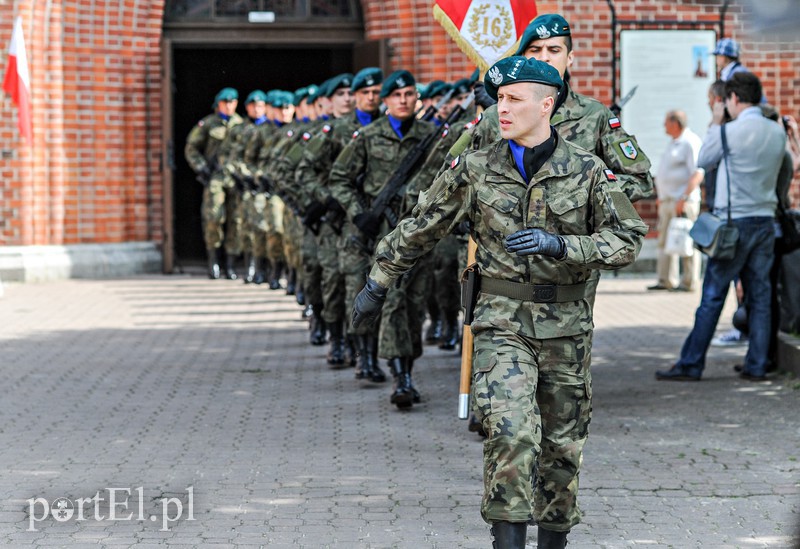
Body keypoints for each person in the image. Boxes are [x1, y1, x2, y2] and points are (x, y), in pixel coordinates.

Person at [351, 56, 647, 548]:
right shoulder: (476, 167)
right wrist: (378, 282)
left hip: (567, 328)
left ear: (546, 105)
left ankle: (553, 539)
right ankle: (506, 539)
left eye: (513, 100)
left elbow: (629, 239)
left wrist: (566, 246)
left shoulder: (587, 170)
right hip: (500, 323)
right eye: (499, 100)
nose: (501, 109)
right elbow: (421, 227)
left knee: (560, 448)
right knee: (512, 433)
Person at [656, 72, 786, 382]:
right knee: (761, 297)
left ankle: (691, 363)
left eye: (725, 100)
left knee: (713, 295)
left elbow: (704, 157)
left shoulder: (728, 131)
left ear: (733, 99)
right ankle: (757, 364)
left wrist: (716, 122)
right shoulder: (776, 131)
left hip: (734, 224)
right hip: (765, 221)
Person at [329, 70, 435, 408]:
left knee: (414, 306)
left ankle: (402, 366)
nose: (403, 101)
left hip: (415, 233)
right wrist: (358, 211)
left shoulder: (431, 137)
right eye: (396, 95)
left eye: (409, 95)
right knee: (390, 301)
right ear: (386, 101)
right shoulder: (368, 136)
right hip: (376, 234)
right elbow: (339, 178)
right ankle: (398, 374)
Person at [184, 87, 244, 279]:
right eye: (225, 102)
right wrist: (201, 167)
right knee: (214, 217)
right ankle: (214, 261)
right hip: (215, 177)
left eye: (232, 102)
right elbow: (191, 147)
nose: (229, 106)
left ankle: (231, 263)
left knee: (236, 220)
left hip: (235, 178)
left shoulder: (241, 125)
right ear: (218, 104)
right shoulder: (209, 124)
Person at [648, 110, 704, 292]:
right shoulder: (674, 143)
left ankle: (689, 282)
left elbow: (698, 172)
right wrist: (661, 197)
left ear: (675, 123)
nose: (664, 126)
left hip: (682, 201)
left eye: (666, 122)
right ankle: (666, 280)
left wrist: (685, 197)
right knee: (666, 241)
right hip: (668, 201)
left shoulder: (690, 142)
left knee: (687, 242)